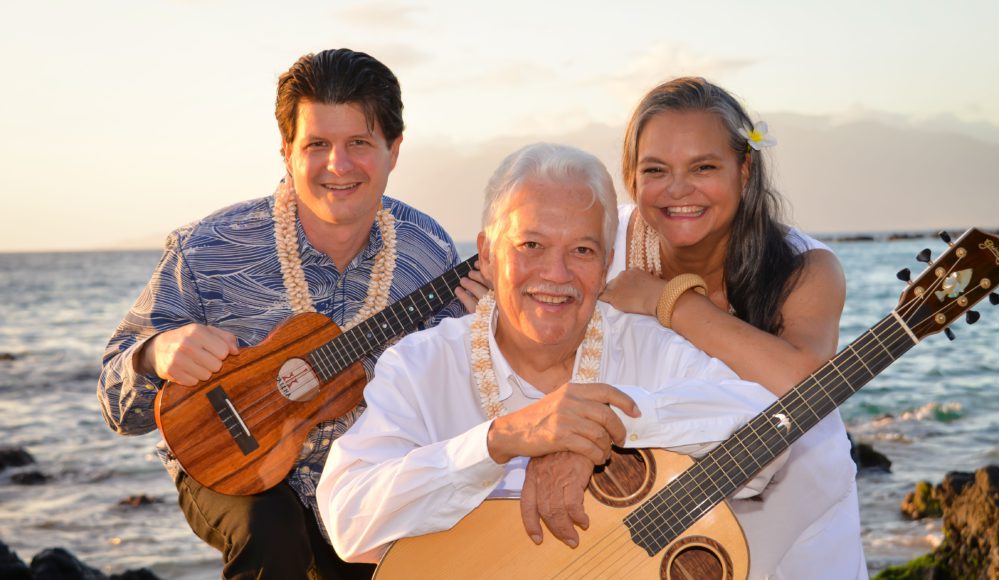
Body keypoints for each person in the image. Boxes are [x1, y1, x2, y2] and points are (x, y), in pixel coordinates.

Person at [316, 142, 795, 568]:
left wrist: (609, 424)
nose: (556, 273)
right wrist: (497, 442)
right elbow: (347, 520)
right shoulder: (423, 364)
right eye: (531, 245)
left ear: (607, 263)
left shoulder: (646, 346)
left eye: (582, 250)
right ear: (486, 254)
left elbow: (768, 437)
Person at [97, 49, 466, 579]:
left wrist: (485, 330)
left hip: (366, 477)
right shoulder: (207, 250)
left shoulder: (428, 254)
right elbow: (115, 405)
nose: (338, 166)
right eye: (317, 144)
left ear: (394, 150)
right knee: (269, 532)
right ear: (287, 153)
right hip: (229, 465)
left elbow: (457, 392)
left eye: (359, 143)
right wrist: (154, 355)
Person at [599, 77, 866, 578]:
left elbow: (802, 386)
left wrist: (665, 300)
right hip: (660, 522)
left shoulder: (804, 267)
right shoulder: (602, 243)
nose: (678, 190)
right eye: (656, 170)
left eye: (703, 167)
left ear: (744, 169)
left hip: (794, 509)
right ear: (632, 178)